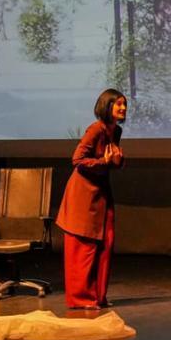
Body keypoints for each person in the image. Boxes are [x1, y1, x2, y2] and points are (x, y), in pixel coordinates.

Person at [56, 88, 127, 309]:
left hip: (101, 193)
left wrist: (115, 161)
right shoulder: (96, 129)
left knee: (106, 242)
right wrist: (104, 163)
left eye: (125, 105)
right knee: (83, 247)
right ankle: (81, 298)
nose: (123, 108)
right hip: (83, 194)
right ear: (107, 106)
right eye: (119, 105)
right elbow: (77, 159)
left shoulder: (115, 131)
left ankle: (97, 296)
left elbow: (110, 161)